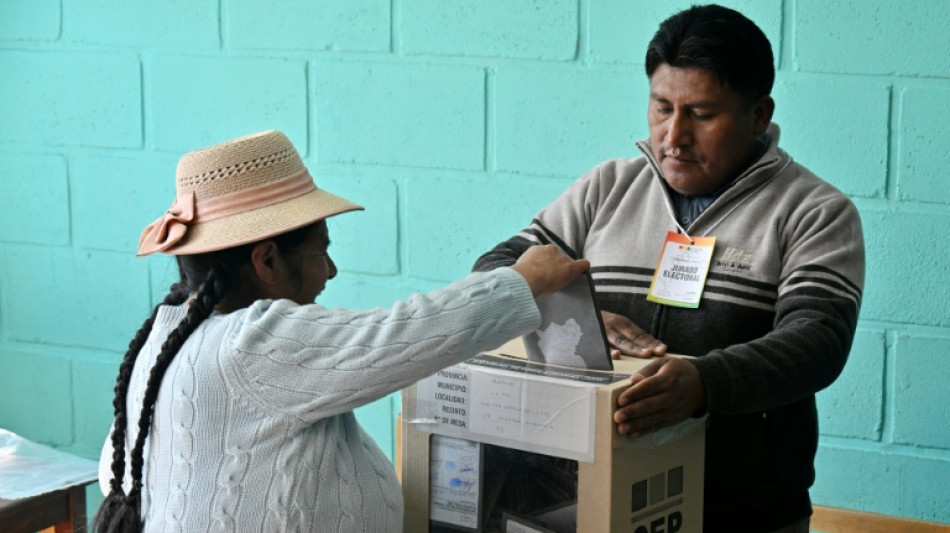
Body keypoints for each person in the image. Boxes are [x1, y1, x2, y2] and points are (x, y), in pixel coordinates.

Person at [473, 5, 864, 532]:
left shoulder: (814, 211)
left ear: (759, 114)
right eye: (661, 108)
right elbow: (496, 271)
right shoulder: (607, 188)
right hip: (594, 505)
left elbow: (818, 341)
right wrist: (579, 313)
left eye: (701, 114)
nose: (673, 136)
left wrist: (704, 383)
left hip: (746, 514)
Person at [94, 130, 589, 533]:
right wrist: (524, 281)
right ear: (266, 260)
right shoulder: (254, 342)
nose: (330, 271)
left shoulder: (168, 337)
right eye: (320, 251)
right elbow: (403, 334)